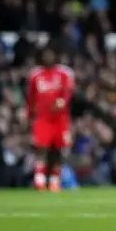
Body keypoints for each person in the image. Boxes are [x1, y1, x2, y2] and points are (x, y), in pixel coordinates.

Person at [27, 45, 75, 192]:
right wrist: (29, 116)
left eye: (51, 54)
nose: (48, 58)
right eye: (45, 55)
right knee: (42, 149)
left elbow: (68, 92)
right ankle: (39, 181)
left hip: (60, 119)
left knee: (59, 150)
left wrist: (62, 101)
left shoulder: (65, 73)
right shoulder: (35, 74)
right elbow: (31, 98)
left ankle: (54, 181)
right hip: (42, 118)